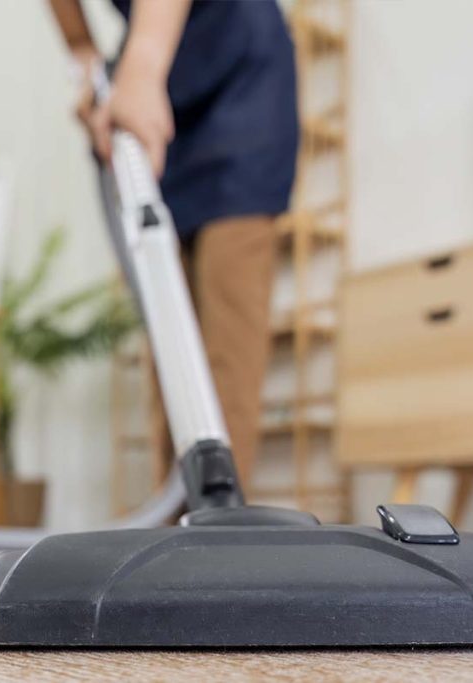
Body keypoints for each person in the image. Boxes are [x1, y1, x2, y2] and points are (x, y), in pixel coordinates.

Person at [49, 0, 299, 482]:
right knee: (167, 327)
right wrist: (84, 58)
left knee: (229, 316)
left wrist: (141, 68)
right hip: (157, 80)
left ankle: (221, 528)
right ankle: (175, 521)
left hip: (238, 69)